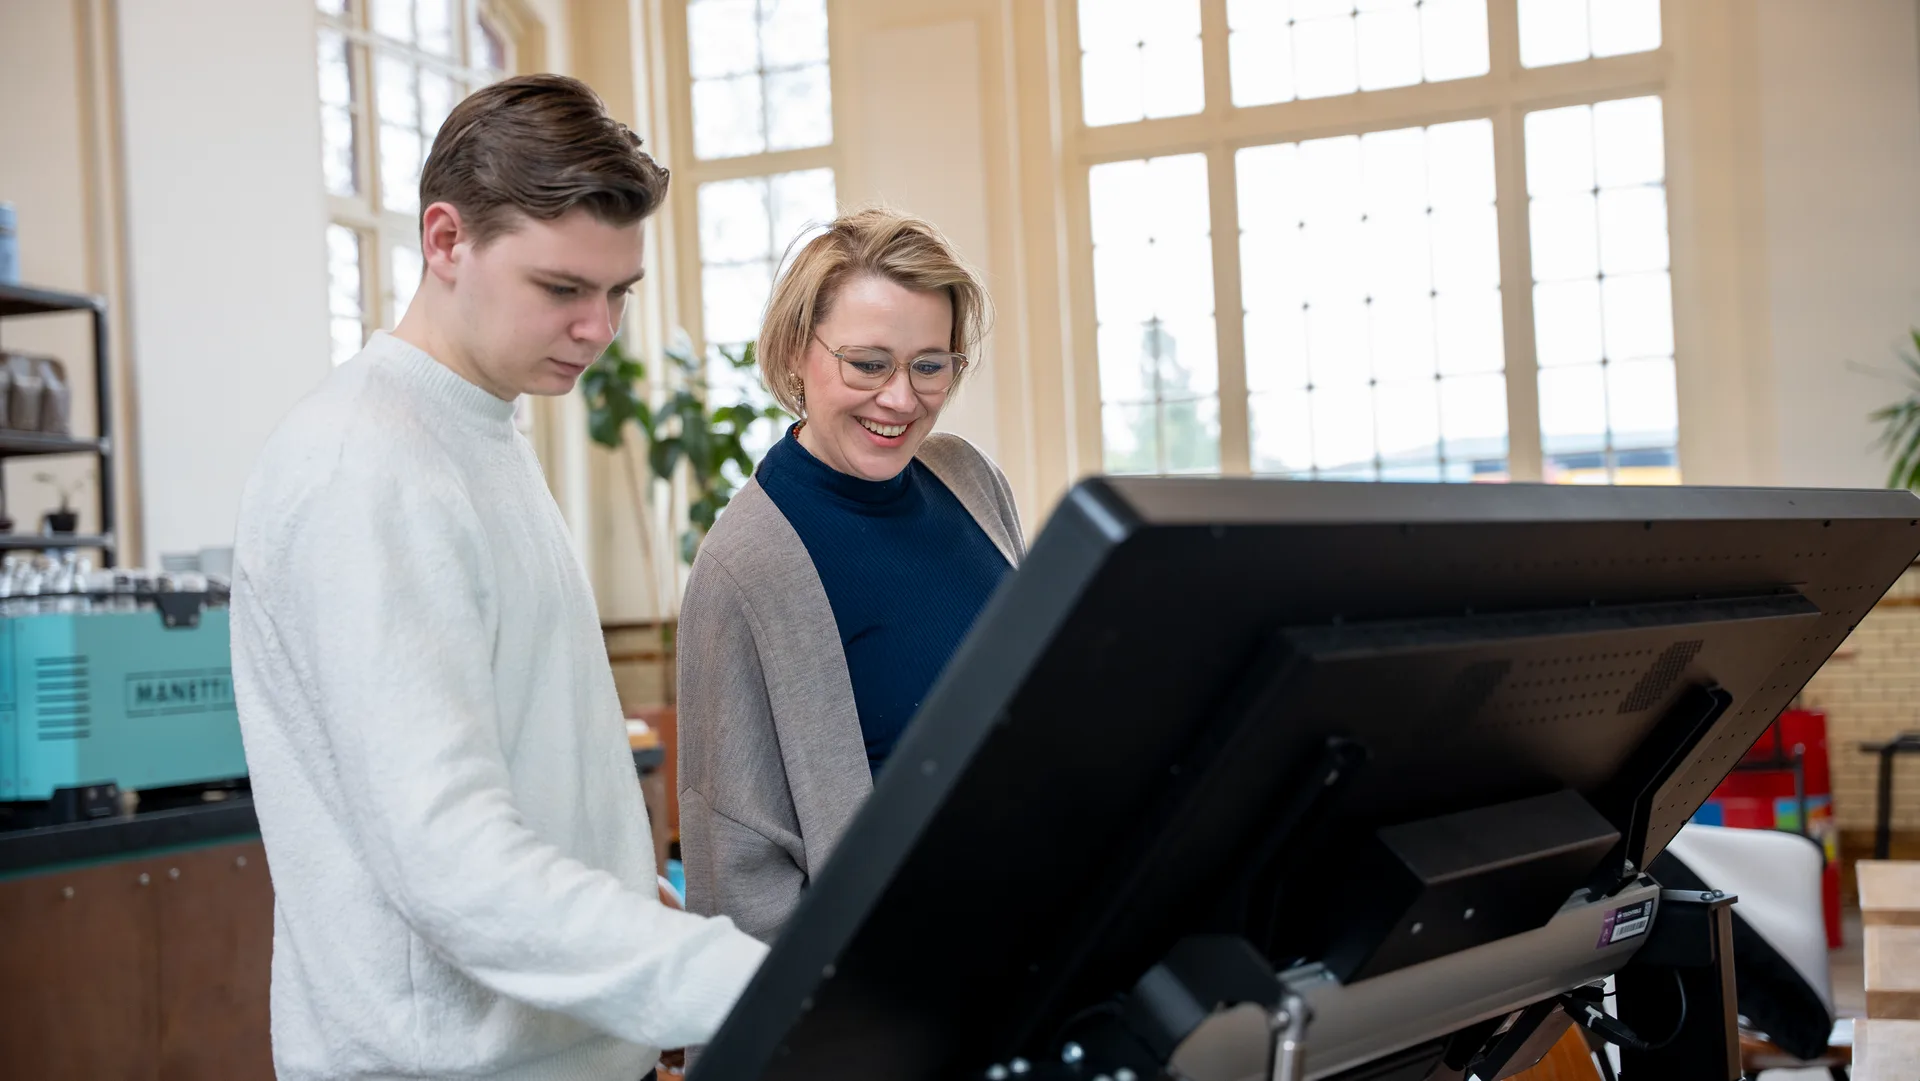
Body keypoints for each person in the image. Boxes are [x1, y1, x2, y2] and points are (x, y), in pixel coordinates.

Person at [231, 74, 765, 1081]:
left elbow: (531, 760)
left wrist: (637, 914)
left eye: (618, 294)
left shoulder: (476, 427)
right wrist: (748, 979)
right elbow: (454, 863)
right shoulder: (365, 467)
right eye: (563, 289)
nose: (599, 329)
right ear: (445, 241)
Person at [676, 207, 1024, 943]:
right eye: (869, 363)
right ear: (799, 351)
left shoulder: (968, 478)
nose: (902, 398)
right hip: (898, 977)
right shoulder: (745, 566)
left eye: (930, 364)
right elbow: (737, 872)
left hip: (1035, 929)